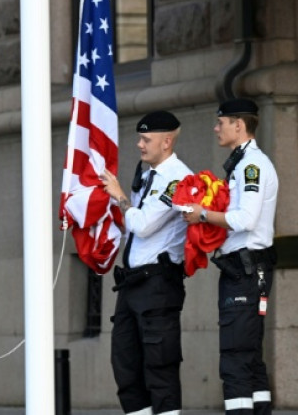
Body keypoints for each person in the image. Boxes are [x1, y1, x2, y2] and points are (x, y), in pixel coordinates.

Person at [181, 98, 278, 415]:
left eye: (220, 122)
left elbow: (244, 220)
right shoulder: (246, 164)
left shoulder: (251, 166)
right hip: (253, 270)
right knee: (250, 354)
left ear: (239, 125)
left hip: (245, 270)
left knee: (236, 355)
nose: (216, 127)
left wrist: (203, 215)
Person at [101, 110, 193, 415]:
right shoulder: (147, 174)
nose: (139, 145)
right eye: (140, 138)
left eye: (146, 139)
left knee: (159, 368)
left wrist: (120, 198)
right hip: (132, 283)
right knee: (125, 365)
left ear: (166, 141)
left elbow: (142, 225)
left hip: (157, 285)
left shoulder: (177, 177)